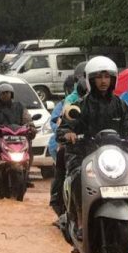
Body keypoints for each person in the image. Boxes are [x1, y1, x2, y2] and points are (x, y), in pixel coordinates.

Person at [57, 56, 128, 229]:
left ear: (113, 79)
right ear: (90, 79)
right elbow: (64, 128)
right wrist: (68, 134)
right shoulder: (79, 105)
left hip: (114, 156)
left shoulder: (121, 104)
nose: (104, 81)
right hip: (85, 153)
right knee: (77, 177)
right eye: (99, 77)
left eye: (107, 77)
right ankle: (80, 219)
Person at [0, 82, 35, 196]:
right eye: (3, 93)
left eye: (8, 93)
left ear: (12, 94)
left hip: (18, 139)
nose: (5, 95)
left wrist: (31, 127)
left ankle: (27, 174)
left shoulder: (20, 107)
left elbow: (27, 119)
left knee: (29, 149)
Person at [48, 75, 78, 217]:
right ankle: (58, 199)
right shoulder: (64, 105)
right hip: (66, 145)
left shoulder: (112, 102)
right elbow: (56, 124)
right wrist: (67, 133)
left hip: (96, 147)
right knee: (62, 166)